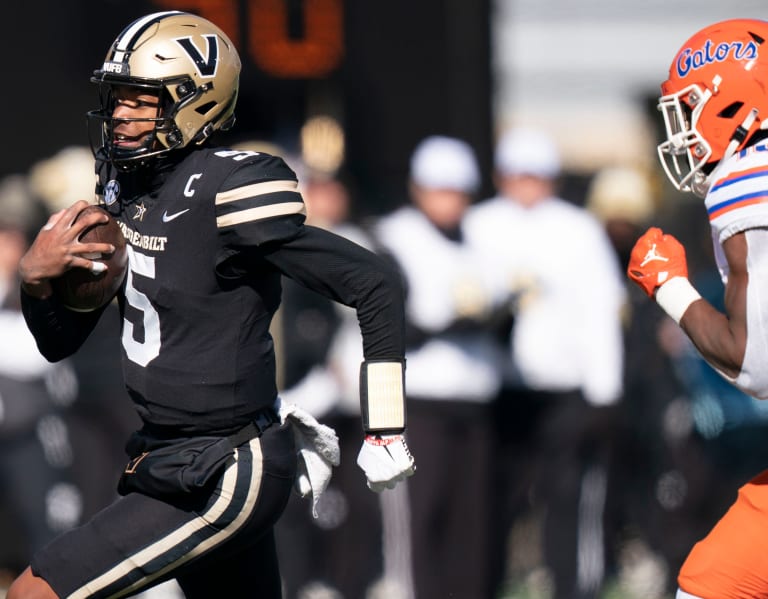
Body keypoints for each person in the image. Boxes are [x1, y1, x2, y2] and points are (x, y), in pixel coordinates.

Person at [8, 10, 414, 599]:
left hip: (225, 466)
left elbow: (374, 282)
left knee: (34, 593)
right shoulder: (127, 193)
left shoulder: (227, 187)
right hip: (164, 457)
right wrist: (36, 281)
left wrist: (385, 426)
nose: (120, 112)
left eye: (140, 99)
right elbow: (58, 343)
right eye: (117, 97)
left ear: (193, 102)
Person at [626, 18, 768, 599]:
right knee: (712, 581)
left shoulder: (749, 176)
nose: (684, 132)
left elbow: (756, 363)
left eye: (691, 109)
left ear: (733, 102)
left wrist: (669, 288)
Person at [463, 128, 626, 598]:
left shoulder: (577, 229)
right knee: (495, 502)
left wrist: (604, 391)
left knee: (570, 502)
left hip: (564, 389)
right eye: (519, 175)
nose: (527, 185)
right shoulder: (480, 224)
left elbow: (600, 313)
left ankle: (575, 590)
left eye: (536, 176)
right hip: (501, 387)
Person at [373, 135, 508, 599]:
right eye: (440, 189)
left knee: (470, 522)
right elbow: (391, 322)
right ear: (418, 188)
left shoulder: (482, 241)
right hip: (419, 401)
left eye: (458, 191)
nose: (450, 201)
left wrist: (491, 311)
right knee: (420, 518)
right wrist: (454, 317)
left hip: (473, 397)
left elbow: (500, 309)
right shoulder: (394, 238)